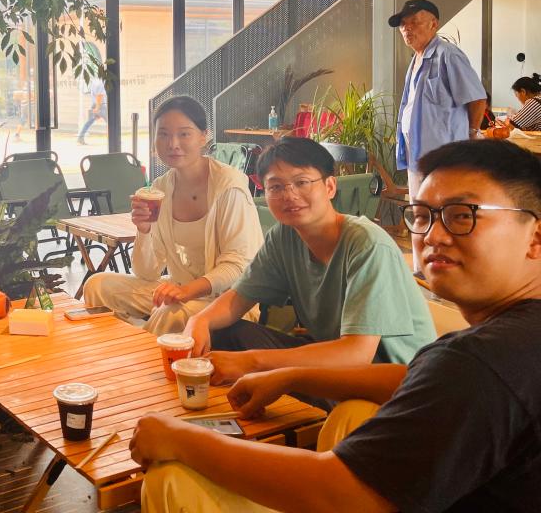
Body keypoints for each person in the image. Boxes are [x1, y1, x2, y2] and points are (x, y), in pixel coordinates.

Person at [131, 139, 541, 513]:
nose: (434, 236)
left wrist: (182, 439)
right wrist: (278, 368)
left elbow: (339, 493)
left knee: (172, 482)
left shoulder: (479, 361)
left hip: (366, 380)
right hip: (375, 386)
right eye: (422, 216)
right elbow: (415, 379)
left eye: (461, 215)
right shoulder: (501, 346)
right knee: (231, 334)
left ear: (535, 236)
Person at [184, 137, 434, 386]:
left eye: (301, 182)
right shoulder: (283, 237)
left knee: (249, 362)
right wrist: (200, 320)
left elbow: (357, 353)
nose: (289, 194)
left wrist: (252, 362)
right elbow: (239, 298)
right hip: (332, 361)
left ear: (330, 187)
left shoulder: (367, 244)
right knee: (225, 333)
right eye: (276, 187)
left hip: (394, 382)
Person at [83, 96, 262, 335]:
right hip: (179, 289)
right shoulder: (160, 189)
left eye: (184, 134)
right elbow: (147, 273)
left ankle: (138, 354)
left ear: (204, 136)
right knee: (97, 285)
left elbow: (238, 266)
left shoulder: (229, 187)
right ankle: (119, 347)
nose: (173, 144)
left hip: (229, 301)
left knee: (169, 312)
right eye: (164, 134)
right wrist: (144, 230)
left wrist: (187, 291)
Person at [391, 0, 487, 198]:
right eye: (403, 24)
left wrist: (471, 133)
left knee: (442, 206)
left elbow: (477, 98)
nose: (407, 28)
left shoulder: (448, 55)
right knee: (420, 206)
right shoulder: (416, 59)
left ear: (433, 24)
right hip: (417, 154)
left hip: (443, 157)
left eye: (414, 22)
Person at [77, 77, 108, 145]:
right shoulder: (100, 82)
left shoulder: (94, 82)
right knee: (110, 123)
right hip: (101, 105)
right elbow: (99, 95)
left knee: (89, 122)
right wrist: (97, 108)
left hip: (94, 104)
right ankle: (112, 139)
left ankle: (80, 137)